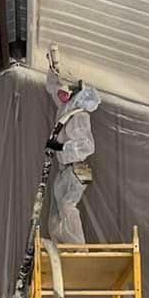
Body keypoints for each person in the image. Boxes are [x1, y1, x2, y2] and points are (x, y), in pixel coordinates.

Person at [47, 72, 100, 244]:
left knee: (67, 206)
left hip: (78, 168)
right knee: (57, 213)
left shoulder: (79, 116)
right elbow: (55, 91)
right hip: (66, 169)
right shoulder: (66, 111)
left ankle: (78, 248)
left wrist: (60, 147)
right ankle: (60, 246)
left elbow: (87, 146)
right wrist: (53, 71)